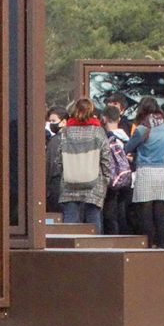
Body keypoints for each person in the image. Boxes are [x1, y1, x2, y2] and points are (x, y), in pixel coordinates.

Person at [56, 98, 111, 232]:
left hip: (70, 181)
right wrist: (106, 178)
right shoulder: (98, 131)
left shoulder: (66, 132)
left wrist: (64, 172)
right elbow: (106, 158)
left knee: (70, 219)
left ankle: (69, 250)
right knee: (93, 218)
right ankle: (95, 250)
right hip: (94, 182)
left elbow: (59, 159)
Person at [124, 96, 164, 248]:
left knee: (145, 212)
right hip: (162, 172)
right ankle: (163, 245)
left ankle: (148, 244)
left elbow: (128, 148)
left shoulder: (142, 128)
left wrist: (135, 154)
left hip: (146, 171)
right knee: (160, 211)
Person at [101, 105, 133, 235]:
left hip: (111, 179)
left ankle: (112, 239)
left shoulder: (106, 137)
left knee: (110, 213)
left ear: (104, 118)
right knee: (122, 212)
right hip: (125, 178)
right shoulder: (127, 138)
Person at [44, 105, 67, 213]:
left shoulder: (55, 141)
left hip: (56, 185)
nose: (51, 124)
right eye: (50, 121)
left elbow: (49, 164)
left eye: (53, 121)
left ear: (64, 122)